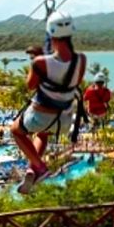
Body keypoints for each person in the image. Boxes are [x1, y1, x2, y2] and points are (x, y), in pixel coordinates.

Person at [11, 11, 87, 194]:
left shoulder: (40, 62)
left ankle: (39, 166)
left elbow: (30, 86)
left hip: (39, 116)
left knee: (16, 131)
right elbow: (73, 82)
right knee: (42, 135)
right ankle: (32, 169)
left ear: (50, 34)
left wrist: (37, 61)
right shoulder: (81, 60)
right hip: (64, 121)